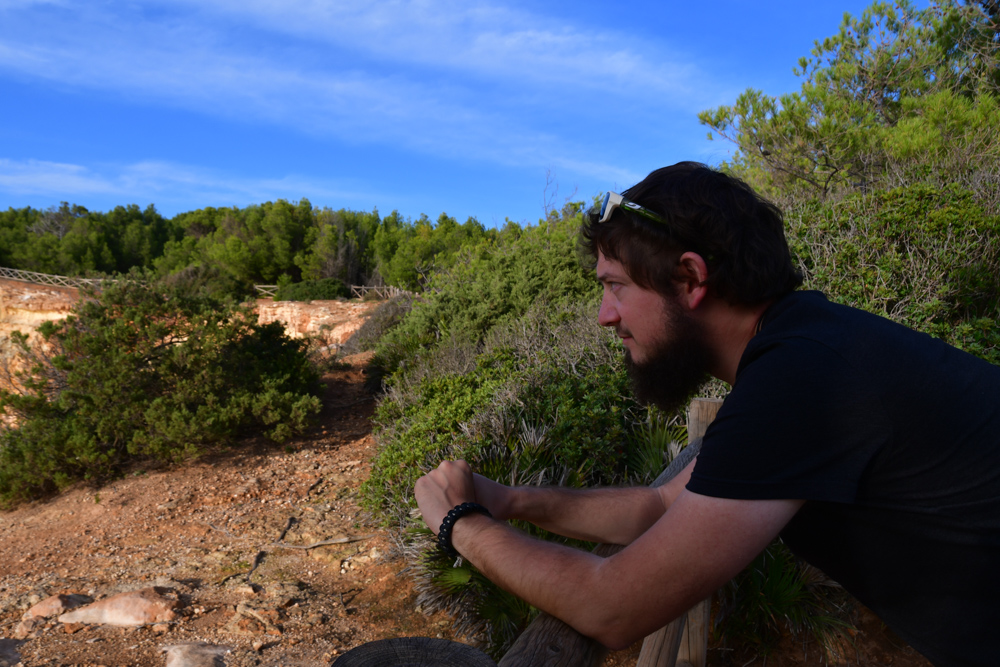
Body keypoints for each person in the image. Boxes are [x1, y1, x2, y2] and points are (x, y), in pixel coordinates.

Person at [414, 162, 1000, 666]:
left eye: (615, 286)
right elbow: (659, 506)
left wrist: (459, 522)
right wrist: (510, 501)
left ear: (691, 278)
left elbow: (612, 607)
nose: (604, 315)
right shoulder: (804, 349)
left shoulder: (799, 383)